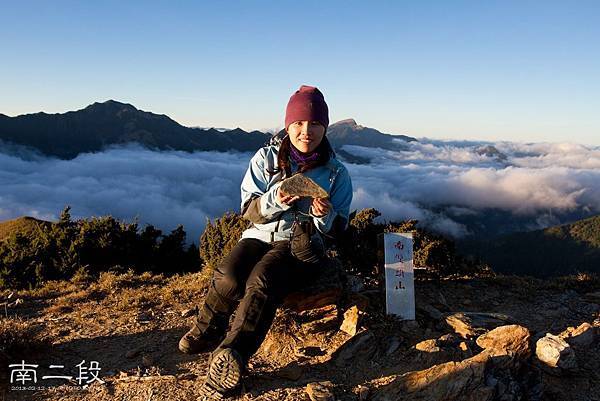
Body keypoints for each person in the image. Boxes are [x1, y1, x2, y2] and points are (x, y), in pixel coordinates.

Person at [179, 85, 353, 399]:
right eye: (299, 123)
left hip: (299, 243)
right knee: (230, 275)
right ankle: (208, 329)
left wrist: (323, 216)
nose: (306, 131)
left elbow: (338, 230)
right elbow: (249, 211)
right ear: (288, 124)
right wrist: (279, 196)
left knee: (262, 280)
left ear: (324, 127)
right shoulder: (266, 158)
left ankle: (232, 354)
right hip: (260, 234)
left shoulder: (337, 172)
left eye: (314, 124)